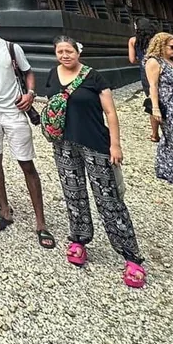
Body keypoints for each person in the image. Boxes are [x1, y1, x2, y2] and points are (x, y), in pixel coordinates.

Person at [43, 36, 145, 287]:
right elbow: (53, 106)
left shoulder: (94, 77)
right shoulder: (52, 75)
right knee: (73, 194)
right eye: (60, 51)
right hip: (64, 144)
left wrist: (115, 144)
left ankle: (130, 255)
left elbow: (110, 111)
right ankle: (79, 239)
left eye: (69, 51)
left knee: (109, 199)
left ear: (78, 52)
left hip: (95, 143)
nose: (65, 55)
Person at [0, 8, 54, 249]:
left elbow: (28, 73)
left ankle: (41, 222)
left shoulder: (12, 48)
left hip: (14, 110)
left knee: (26, 163)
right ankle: (4, 209)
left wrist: (30, 94)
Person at [144, 31, 173, 185]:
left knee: (171, 139)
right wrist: (155, 108)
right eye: (172, 47)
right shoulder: (154, 61)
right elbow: (153, 86)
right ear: (161, 45)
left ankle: (168, 168)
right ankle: (169, 170)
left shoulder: (171, 61)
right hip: (169, 106)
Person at [129, 19, 158, 141]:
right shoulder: (156, 40)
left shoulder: (133, 41)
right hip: (159, 70)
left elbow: (132, 60)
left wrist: (142, 61)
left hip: (146, 73)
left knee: (153, 102)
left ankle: (155, 134)